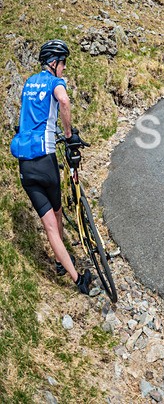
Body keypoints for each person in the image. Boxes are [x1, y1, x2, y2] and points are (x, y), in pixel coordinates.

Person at [10, 39, 93, 295]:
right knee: (56, 214)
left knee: (48, 225)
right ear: (54, 63)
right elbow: (64, 102)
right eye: (63, 63)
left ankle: (72, 275)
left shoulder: (28, 83)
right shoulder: (55, 82)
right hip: (45, 159)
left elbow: (29, 113)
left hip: (25, 163)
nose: (65, 68)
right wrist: (68, 135)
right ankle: (68, 267)